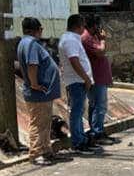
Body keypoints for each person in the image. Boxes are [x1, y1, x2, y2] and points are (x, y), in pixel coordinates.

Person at [17, 18, 63, 165]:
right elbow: (32, 65)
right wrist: (35, 84)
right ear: (35, 29)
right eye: (41, 29)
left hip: (42, 93)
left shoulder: (26, 43)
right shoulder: (30, 44)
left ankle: (46, 150)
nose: (41, 32)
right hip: (38, 93)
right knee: (38, 124)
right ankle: (36, 154)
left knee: (44, 123)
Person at [59, 14, 99, 155]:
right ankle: (78, 143)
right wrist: (86, 78)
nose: (84, 29)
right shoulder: (70, 40)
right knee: (76, 112)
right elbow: (74, 61)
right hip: (77, 81)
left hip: (79, 80)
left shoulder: (72, 39)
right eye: (83, 26)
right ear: (78, 26)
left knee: (79, 111)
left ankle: (81, 139)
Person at [82, 15, 116, 144]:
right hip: (96, 77)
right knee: (99, 105)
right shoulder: (87, 38)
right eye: (98, 26)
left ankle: (96, 131)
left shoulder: (93, 37)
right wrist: (103, 40)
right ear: (94, 25)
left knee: (96, 105)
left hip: (99, 76)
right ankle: (97, 133)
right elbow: (100, 51)